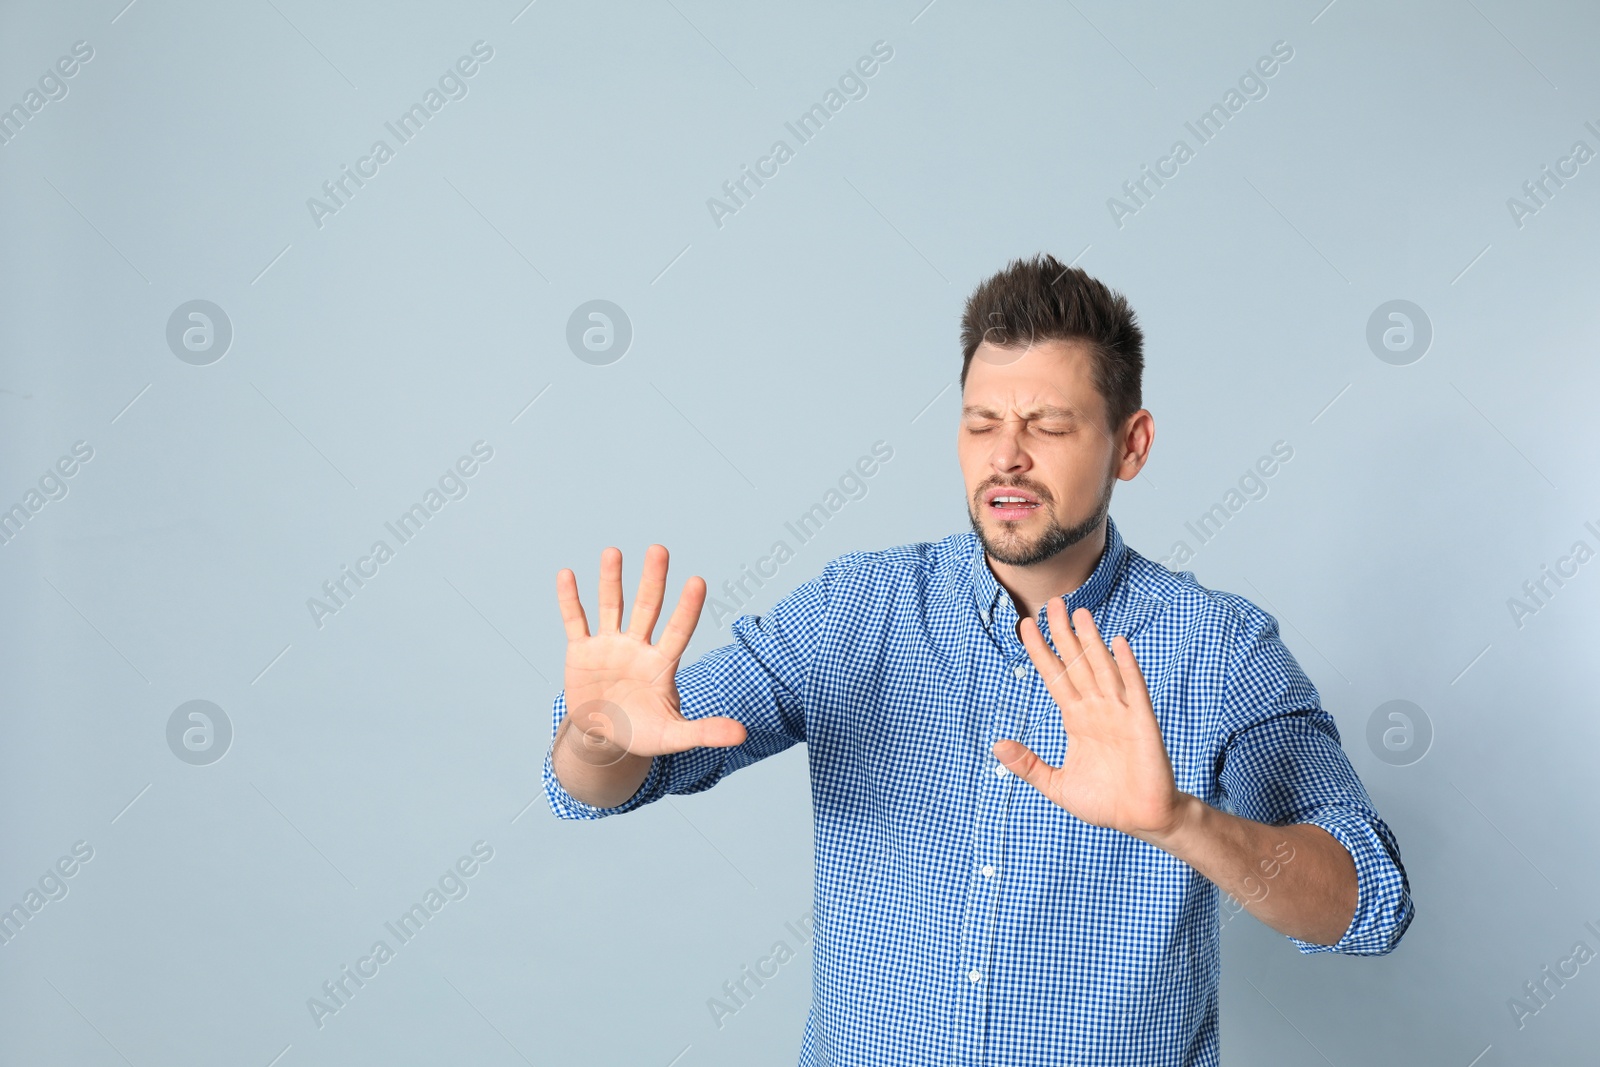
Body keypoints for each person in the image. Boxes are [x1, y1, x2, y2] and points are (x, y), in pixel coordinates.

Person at [543, 252, 1414, 1066]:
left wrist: (1181, 823)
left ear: (1131, 444)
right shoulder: (858, 609)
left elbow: (1367, 905)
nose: (1006, 456)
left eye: (1049, 426)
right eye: (983, 422)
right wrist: (599, 738)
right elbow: (605, 785)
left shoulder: (1220, 649)